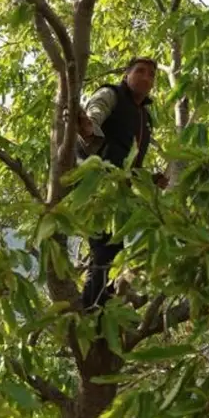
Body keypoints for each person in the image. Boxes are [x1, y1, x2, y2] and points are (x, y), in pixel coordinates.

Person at [77, 57, 163, 310]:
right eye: (140, 71)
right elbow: (95, 112)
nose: (146, 77)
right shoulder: (111, 94)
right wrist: (89, 127)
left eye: (151, 74)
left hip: (119, 194)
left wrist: (150, 179)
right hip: (94, 186)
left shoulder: (144, 117)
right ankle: (91, 311)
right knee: (104, 251)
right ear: (127, 74)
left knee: (114, 250)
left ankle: (104, 308)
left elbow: (129, 162)